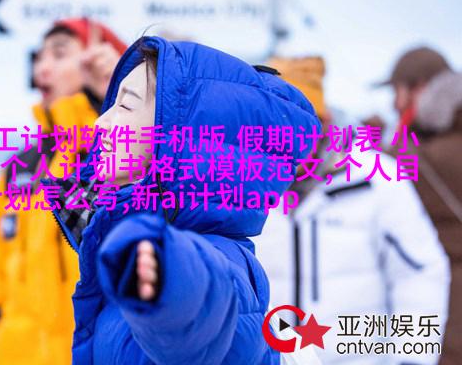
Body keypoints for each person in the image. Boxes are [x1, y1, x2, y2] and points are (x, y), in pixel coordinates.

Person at [48, 36, 320, 364]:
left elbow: (205, 304)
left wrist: (167, 269)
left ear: (182, 137)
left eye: (126, 105)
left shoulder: (218, 258)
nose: (101, 122)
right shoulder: (129, 232)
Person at [0, 18, 126, 365]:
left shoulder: (125, 155)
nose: (42, 67)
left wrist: (117, 95)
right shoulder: (17, 170)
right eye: (38, 56)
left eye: (59, 53)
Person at [252, 56, 451, 364]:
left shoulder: (378, 179)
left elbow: (419, 273)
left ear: (323, 121)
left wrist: (411, 359)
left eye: (298, 122)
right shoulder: (237, 187)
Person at [375, 46, 462, 364]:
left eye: (397, 91)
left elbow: (381, 169)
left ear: (420, 88)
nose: (393, 104)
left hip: (450, 320)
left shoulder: (427, 158)